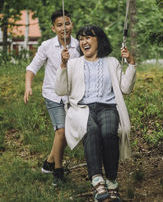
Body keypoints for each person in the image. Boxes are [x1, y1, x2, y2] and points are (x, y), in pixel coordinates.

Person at [55, 25, 136, 202]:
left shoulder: (112, 62)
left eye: (88, 38)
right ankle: (98, 182)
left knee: (108, 134)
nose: (84, 41)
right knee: (91, 131)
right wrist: (63, 65)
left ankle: (112, 182)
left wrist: (131, 63)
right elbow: (61, 90)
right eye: (81, 38)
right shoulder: (74, 63)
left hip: (108, 107)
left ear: (99, 40)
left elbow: (126, 88)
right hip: (82, 109)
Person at [24, 9, 80, 186]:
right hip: (53, 94)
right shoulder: (47, 46)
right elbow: (32, 67)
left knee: (65, 134)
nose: (65, 27)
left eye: (67, 23)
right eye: (59, 25)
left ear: (72, 24)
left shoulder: (79, 46)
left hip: (72, 96)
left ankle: (48, 162)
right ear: (53, 28)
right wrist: (28, 86)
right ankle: (58, 170)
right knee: (61, 131)